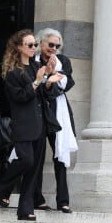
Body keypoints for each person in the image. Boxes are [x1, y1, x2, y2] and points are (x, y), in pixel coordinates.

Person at [0, 29, 63, 220]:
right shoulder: (13, 72)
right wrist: (38, 81)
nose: (34, 48)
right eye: (30, 45)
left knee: (34, 169)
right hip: (23, 124)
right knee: (26, 160)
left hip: (40, 123)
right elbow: (20, 97)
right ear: (18, 47)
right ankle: (2, 187)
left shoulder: (35, 67)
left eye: (35, 44)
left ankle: (25, 209)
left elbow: (45, 96)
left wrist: (48, 81)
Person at [32, 28, 78, 213]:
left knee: (61, 155)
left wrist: (51, 79)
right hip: (38, 111)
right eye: (50, 44)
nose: (54, 48)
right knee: (37, 156)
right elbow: (36, 87)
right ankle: (37, 198)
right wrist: (48, 78)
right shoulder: (33, 62)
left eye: (57, 46)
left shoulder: (63, 61)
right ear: (41, 43)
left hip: (58, 110)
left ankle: (63, 201)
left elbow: (67, 83)